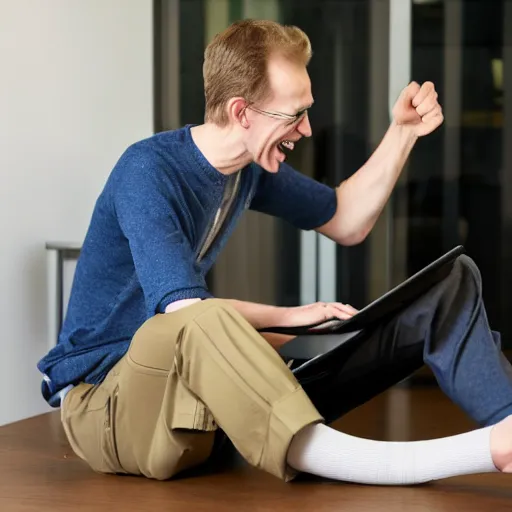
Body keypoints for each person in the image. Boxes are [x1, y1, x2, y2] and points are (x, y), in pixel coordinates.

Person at [38, 19, 512, 486]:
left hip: (200, 402)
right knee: (197, 321)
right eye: (293, 115)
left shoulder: (247, 170)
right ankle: (466, 454)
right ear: (242, 112)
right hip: (111, 407)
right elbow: (185, 314)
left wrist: (403, 132)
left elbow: (346, 218)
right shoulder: (147, 170)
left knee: (449, 283)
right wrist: (287, 318)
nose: (305, 130)